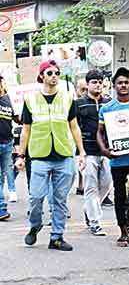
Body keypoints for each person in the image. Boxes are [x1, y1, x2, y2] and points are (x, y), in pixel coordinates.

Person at [16, 60, 86, 251]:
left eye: (57, 73)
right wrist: (20, 156)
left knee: (60, 200)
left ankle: (56, 237)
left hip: (64, 156)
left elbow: (74, 127)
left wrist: (81, 152)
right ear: (42, 76)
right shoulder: (30, 100)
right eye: (49, 73)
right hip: (39, 156)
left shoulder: (67, 98)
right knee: (36, 198)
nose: (54, 76)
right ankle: (35, 224)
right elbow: (26, 131)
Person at [97, 67, 129, 247]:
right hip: (117, 159)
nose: (124, 85)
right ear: (114, 86)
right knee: (119, 196)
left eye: (127, 82)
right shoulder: (107, 108)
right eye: (120, 83)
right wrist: (104, 150)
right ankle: (123, 231)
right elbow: (100, 132)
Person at [74, 69, 112, 236]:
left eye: (99, 82)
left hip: (107, 151)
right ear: (87, 85)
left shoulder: (110, 103)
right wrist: (80, 152)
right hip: (87, 152)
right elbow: (74, 128)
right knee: (90, 186)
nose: (97, 85)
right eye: (94, 82)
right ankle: (95, 222)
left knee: (106, 184)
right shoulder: (79, 104)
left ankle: (89, 209)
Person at [0, 75, 19, 208]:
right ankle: (1, 204)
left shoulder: (8, 99)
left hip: (8, 141)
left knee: (9, 168)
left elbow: (15, 118)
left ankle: (12, 190)